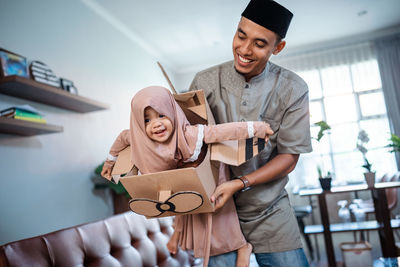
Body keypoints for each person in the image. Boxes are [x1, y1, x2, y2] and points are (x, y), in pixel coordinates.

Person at [189, 0, 312, 266]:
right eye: (240, 35)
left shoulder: (293, 89)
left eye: (259, 43)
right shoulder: (205, 82)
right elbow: (188, 144)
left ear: (277, 48)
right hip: (217, 211)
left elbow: (289, 158)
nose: (244, 49)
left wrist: (240, 183)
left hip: (270, 212)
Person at [101, 85, 273, 267]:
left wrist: (257, 128)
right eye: (146, 120)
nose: (156, 123)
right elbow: (122, 138)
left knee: (216, 207)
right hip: (184, 178)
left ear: (172, 111)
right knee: (182, 197)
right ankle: (177, 234)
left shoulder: (189, 133)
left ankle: (241, 246)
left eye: (161, 115)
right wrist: (109, 162)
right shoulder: (138, 138)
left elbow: (223, 131)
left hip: (210, 172)